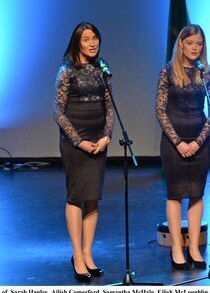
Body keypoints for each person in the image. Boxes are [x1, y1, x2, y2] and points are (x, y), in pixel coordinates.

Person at [53, 22, 115, 283]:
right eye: (87, 39)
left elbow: (111, 107)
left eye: (96, 39)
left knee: (93, 198)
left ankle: (88, 253)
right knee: (77, 196)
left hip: (98, 141)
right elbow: (58, 111)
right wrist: (78, 141)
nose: (93, 44)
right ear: (77, 42)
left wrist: (106, 137)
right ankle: (77, 255)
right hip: (75, 143)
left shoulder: (102, 70)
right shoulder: (66, 71)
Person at [156, 24, 210, 271]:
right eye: (190, 43)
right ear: (181, 44)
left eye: (199, 44)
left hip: (199, 138)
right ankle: (176, 249)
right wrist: (180, 143)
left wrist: (198, 142)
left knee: (196, 193)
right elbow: (160, 111)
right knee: (175, 194)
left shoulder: (207, 73)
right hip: (174, 140)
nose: (195, 48)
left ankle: (193, 247)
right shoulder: (167, 72)